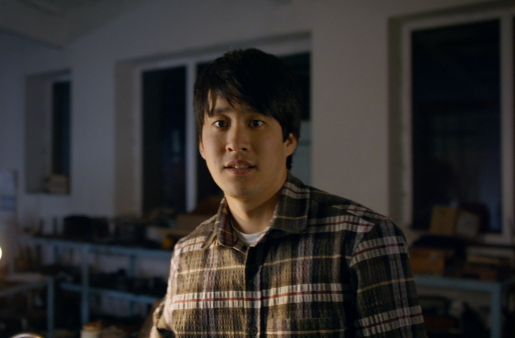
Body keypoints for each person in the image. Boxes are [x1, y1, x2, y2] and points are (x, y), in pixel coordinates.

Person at [151, 48, 426, 337]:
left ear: (289, 141)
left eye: (255, 122)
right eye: (221, 123)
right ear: (202, 146)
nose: (235, 142)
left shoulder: (362, 238)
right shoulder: (187, 255)